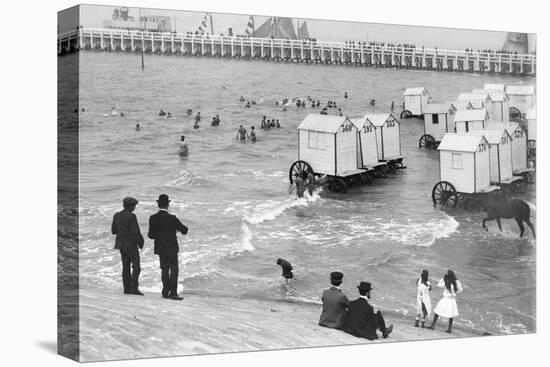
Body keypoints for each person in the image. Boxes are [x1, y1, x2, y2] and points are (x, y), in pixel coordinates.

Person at [148, 194, 188, 300]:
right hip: (172, 248)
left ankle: (165, 292)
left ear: (158, 205)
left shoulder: (153, 218)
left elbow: (150, 235)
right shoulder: (172, 218)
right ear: (167, 205)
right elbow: (184, 230)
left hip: (161, 248)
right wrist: (176, 229)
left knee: (164, 270)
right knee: (174, 270)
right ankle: (173, 293)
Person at [111, 197, 145, 295]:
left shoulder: (116, 215)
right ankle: (134, 288)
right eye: (134, 206)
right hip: (130, 244)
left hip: (121, 244)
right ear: (130, 206)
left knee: (125, 266)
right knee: (136, 266)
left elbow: (113, 231)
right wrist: (141, 243)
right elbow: (135, 232)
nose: (135, 208)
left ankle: (127, 288)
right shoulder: (132, 216)